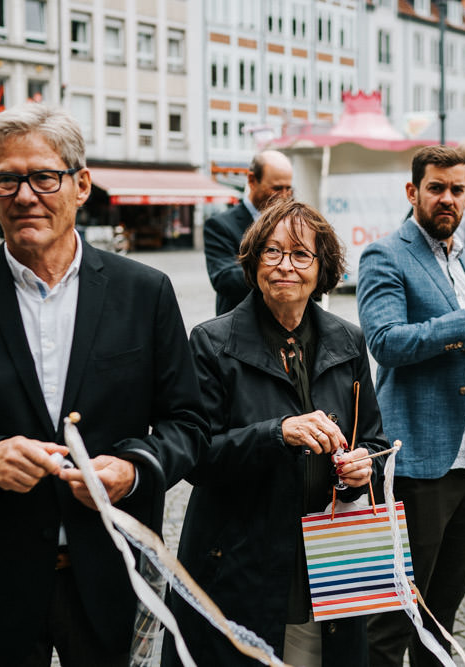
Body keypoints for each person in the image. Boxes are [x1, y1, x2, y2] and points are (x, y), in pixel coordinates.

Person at [0, 103, 207, 667]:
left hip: (109, 578)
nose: (25, 194)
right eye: (7, 179)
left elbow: (189, 425)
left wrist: (132, 471)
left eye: (43, 176)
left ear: (81, 184)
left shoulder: (145, 292)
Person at [165, 199, 388, 666]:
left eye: (301, 254)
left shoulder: (349, 340)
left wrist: (363, 466)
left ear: (322, 267)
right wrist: (277, 432)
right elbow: (196, 458)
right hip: (242, 557)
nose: (285, 265)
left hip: (330, 555)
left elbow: (374, 440)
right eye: (271, 252)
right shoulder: (212, 342)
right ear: (253, 261)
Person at [357, 145, 465, 667]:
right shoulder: (385, 255)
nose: (448, 198)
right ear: (413, 192)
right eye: (437, 187)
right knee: (392, 618)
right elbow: (386, 341)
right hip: (415, 464)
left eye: (458, 189)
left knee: (441, 615)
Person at [204, 149, 294, 315]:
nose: (284, 196)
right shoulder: (220, 225)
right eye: (276, 188)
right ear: (252, 180)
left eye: (288, 189)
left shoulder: (293, 224)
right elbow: (225, 279)